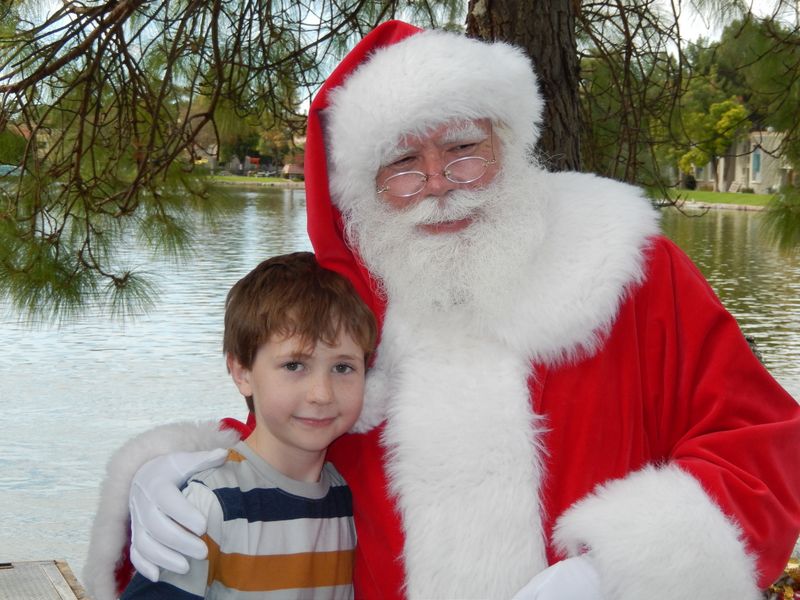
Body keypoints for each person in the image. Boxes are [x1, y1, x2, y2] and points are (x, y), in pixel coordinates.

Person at [84, 21, 800, 600]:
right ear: (364, 189)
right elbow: (296, 424)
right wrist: (171, 474)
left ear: (509, 143)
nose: (439, 185)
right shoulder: (354, 309)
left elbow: (759, 446)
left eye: (463, 149)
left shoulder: (625, 268)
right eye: (402, 164)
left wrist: (616, 568)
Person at [90, 252, 377, 599]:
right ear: (242, 373)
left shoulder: (344, 500)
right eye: (294, 366)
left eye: (343, 367)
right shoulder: (210, 503)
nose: (321, 393)